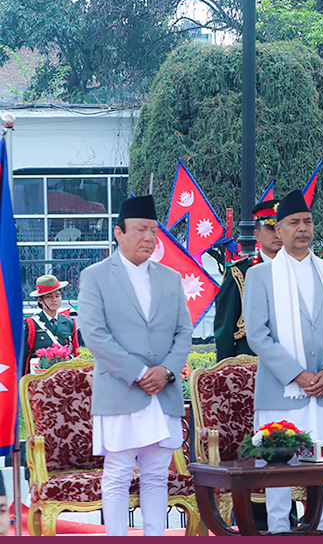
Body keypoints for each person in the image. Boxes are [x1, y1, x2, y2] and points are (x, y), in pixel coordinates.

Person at [77, 195, 192, 537]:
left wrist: (167, 371)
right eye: (140, 229)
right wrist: (140, 373)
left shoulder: (170, 278)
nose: (148, 238)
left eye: (154, 231)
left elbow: (184, 331)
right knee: (118, 474)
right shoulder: (95, 276)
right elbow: (94, 334)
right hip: (121, 390)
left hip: (163, 392)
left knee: (157, 476)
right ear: (119, 233)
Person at [242, 190, 323, 533]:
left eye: (307, 221)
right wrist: (297, 374)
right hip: (281, 388)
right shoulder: (260, 276)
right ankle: (279, 530)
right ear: (279, 230)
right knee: (280, 468)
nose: (302, 228)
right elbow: (258, 335)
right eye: (294, 222)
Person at [213, 199, 283, 360]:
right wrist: (226, 369)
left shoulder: (300, 271)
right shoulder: (240, 272)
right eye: (271, 228)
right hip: (250, 363)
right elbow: (225, 327)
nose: (278, 235)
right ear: (257, 234)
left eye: (282, 229)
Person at [23, 274, 80, 375]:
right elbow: (25, 357)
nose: (54, 300)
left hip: (64, 378)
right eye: (49, 297)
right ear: (40, 300)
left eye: (57, 296)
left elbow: (75, 353)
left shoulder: (69, 322)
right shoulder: (30, 324)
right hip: (40, 379)